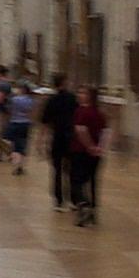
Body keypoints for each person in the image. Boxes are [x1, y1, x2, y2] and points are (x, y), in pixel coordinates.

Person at [70, 85, 109, 225]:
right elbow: (105, 132)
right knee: (93, 181)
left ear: (90, 96)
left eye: (83, 93)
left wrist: (90, 146)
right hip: (95, 154)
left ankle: (83, 204)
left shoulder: (81, 112)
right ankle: (93, 210)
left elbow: (81, 130)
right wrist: (100, 148)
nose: (79, 95)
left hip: (80, 150)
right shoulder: (100, 113)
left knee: (77, 180)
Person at [41, 73, 78, 209]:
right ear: (64, 82)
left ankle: (58, 199)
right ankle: (73, 199)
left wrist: (42, 140)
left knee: (57, 169)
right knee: (70, 169)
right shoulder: (72, 99)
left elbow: (45, 122)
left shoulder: (51, 100)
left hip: (57, 136)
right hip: (71, 136)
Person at [5, 82, 34, 174]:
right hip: (25, 123)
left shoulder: (14, 99)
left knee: (13, 144)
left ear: (22, 90)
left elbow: (9, 109)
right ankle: (21, 165)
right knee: (23, 145)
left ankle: (15, 165)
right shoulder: (30, 100)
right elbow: (31, 112)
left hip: (14, 122)